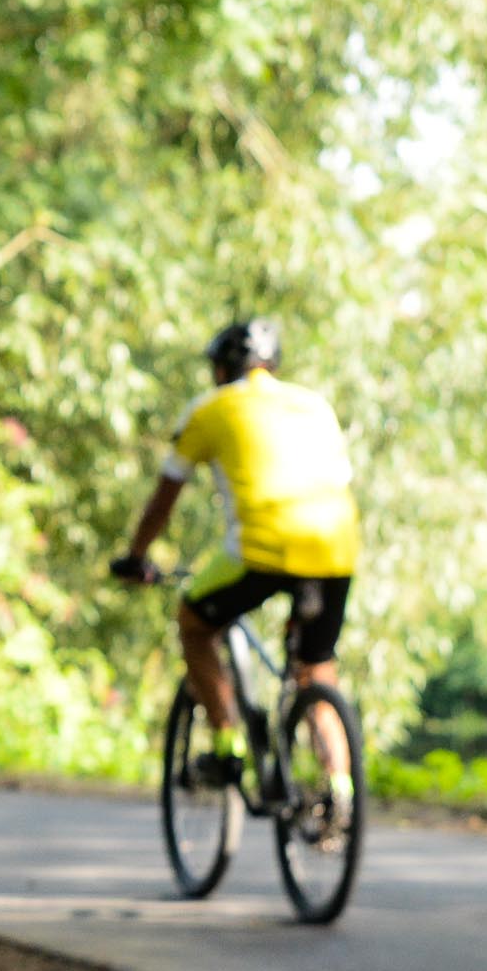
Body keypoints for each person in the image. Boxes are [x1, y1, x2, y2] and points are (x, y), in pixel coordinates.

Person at [110, 319, 358, 802]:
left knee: (194, 621)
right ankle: (341, 793)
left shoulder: (212, 408)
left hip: (263, 549)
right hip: (337, 548)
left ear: (222, 368)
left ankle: (228, 745)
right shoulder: (314, 405)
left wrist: (135, 556)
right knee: (316, 668)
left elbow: (163, 500)